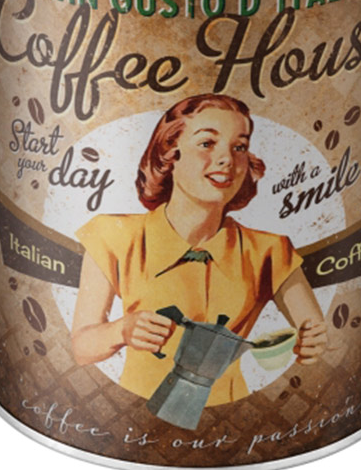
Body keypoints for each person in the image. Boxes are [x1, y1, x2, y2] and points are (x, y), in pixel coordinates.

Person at [72, 93, 327, 406]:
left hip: (232, 413)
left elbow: (317, 331)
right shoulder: (113, 235)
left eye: (239, 147)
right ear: (170, 154)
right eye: (207, 143)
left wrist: (313, 342)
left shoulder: (269, 250)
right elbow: (81, 347)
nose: (227, 159)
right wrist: (121, 331)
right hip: (135, 410)